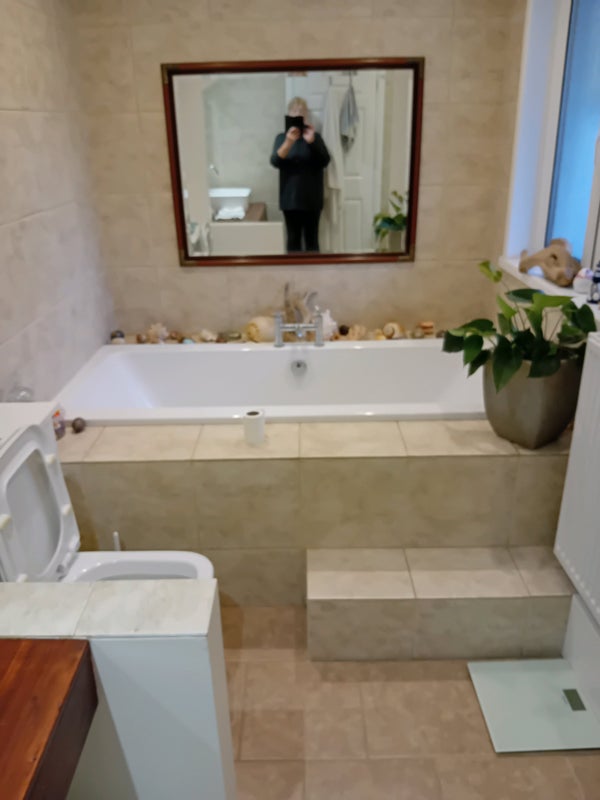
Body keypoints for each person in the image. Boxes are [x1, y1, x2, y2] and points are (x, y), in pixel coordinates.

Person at [270, 97, 330, 253]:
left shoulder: (315, 138)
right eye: (295, 112)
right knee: (293, 241)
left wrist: (312, 141)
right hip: (289, 200)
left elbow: (325, 161)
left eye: (302, 112)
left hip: (312, 199)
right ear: (289, 115)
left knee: (312, 241)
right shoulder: (281, 138)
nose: (298, 115)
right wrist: (289, 142)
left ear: (306, 116)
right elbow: (275, 161)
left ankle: (314, 269)